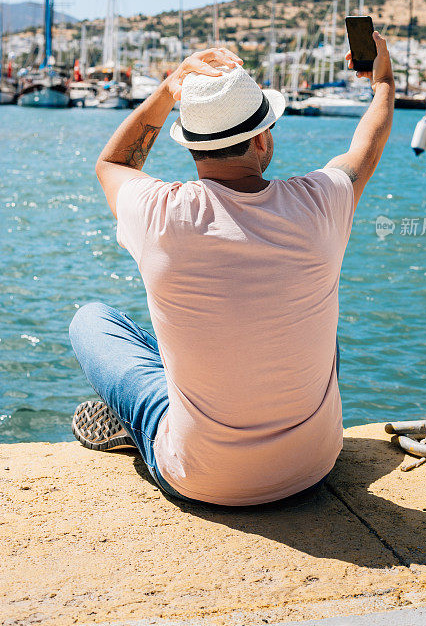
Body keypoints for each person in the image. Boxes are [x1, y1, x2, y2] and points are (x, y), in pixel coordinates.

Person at [70, 33, 395, 506]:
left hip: (201, 477)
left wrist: (169, 89)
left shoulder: (158, 213)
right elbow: (368, 143)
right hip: (313, 466)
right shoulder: (321, 203)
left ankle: (151, 423)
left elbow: (113, 162)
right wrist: (382, 81)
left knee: (91, 320)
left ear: (193, 147)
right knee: (312, 306)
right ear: (262, 138)